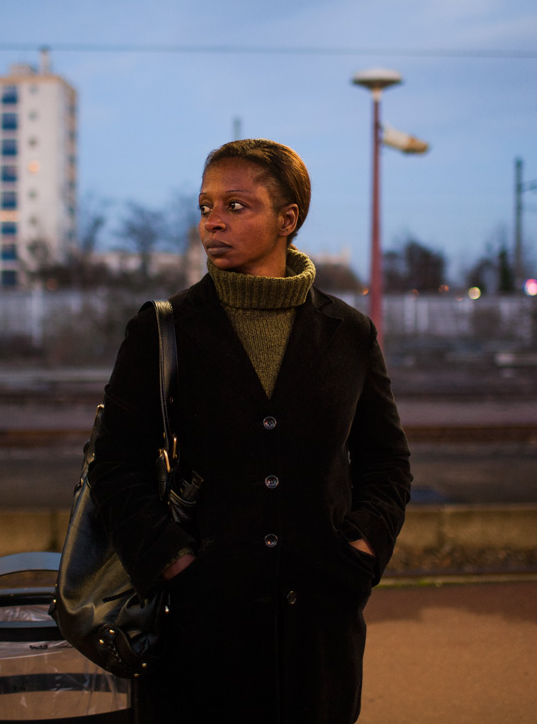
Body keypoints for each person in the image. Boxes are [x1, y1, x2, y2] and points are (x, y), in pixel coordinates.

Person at [89, 139, 412, 723]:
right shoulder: (163, 331)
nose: (212, 220)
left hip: (318, 626)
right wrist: (172, 562)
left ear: (288, 220)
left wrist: (361, 551)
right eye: (205, 205)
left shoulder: (348, 334)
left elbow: (385, 462)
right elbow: (113, 464)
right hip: (198, 627)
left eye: (236, 206)